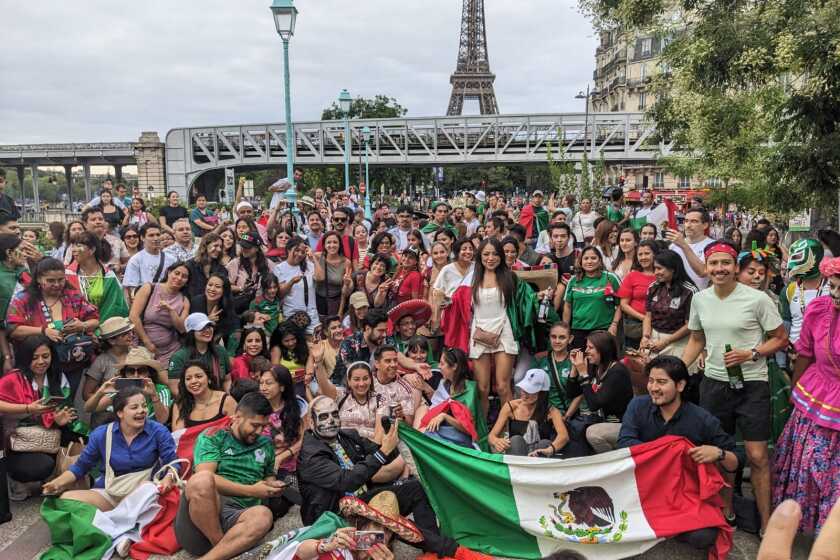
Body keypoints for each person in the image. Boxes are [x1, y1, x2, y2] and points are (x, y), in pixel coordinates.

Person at [681, 240, 789, 533]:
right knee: (721, 451)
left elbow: (780, 338)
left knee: (757, 456)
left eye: (725, 263)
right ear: (707, 267)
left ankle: (767, 524)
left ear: (735, 267)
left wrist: (752, 353)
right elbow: (696, 340)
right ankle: (726, 509)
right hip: (714, 383)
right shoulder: (701, 299)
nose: (719, 269)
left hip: (752, 384)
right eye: (713, 264)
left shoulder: (757, 299)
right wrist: (677, 369)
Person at [297, 396, 464, 558]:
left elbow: (378, 450)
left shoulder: (346, 435)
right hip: (336, 520)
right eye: (324, 416)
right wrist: (383, 452)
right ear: (311, 422)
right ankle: (446, 549)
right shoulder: (310, 455)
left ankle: (432, 553)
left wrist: (391, 426)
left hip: (361, 502)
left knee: (415, 489)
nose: (331, 420)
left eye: (334, 414)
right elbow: (346, 481)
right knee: (385, 524)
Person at [618, 355, 739, 551]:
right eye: (651, 381)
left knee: (703, 536)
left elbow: (735, 461)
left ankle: (672, 525)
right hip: (646, 487)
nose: (653, 388)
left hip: (683, 494)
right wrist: (669, 450)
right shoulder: (637, 406)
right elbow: (624, 443)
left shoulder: (702, 419)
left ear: (680, 385)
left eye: (662, 382)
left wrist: (718, 453)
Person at [772, 257, 840, 534]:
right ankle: (809, 526)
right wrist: (795, 388)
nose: (834, 295)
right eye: (832, 287)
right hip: (817, 395)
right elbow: (806, 353)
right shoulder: (819, 309)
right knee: (810, 464)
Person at [175, 392, 278, 559]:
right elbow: (205, 476)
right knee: (202, 480)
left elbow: (268, 478)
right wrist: (252, 491)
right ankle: (221, 547)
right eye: (255, 425)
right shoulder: (213, 436)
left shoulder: (266, 444)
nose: (260, 431)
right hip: (201, 520)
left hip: (238, 518)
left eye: (264, 426)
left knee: (264, 515)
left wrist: (272, 487)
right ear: (237, 417)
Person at [43, 386, 177, 512]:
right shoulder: (102, 434)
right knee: (67, 499)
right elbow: (80, 467)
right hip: (110, 492)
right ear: (120, 413)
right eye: (134, 407)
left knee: (154, 494)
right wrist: (56, 483)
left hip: (145, 495)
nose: (142, 411)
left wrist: (168, 478)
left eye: (144, 406)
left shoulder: (158, 431)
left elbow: (172, 463)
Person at [0, 336, 79, 500]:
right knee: (41, 466)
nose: (41, 361)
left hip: (51, 434)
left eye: (46, 356)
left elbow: (65, 410)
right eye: (34, 357)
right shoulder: (14, 378)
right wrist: (28, 408)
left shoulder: (58, 378)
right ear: (25, 358)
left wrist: (61, 420)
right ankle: (18, 480)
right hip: (19, 440)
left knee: (79, 440)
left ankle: (55, 475)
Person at [6, 258, 99, 395]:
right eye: (50, 281)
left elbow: (95, 320)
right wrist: (43, 331)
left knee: (66, 403)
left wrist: (82, 325)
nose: (57, 284)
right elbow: (13, 329)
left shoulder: (73, 296)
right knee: (39, 403)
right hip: (37, 364)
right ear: (38, 279)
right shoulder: (23, 299)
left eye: (61, 280)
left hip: (71, 361)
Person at [567, 330, 633, 453]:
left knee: (593, 434)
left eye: (590, 347)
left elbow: (594, 404)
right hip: (601, 420)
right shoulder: (595, 367)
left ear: (603, 349)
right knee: (574, 430)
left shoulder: (617, 371)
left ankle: (610, 462)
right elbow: (571, 394)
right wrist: (574, 369)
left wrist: (583, 373)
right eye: (586, 346)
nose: (586, 351)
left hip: (622, 424)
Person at [258, 365, 307, 518]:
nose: (263, 387)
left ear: (282, 386)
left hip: (291, 466)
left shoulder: (298, 406)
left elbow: (305, 439)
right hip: (262, 467)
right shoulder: (256, 408)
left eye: (269, 383)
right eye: (261, 383)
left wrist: (281, 456)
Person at [415, 347, 487, 450]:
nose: (439, 367)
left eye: (442, 364)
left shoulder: (469, 390)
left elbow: (469, 429)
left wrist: (444, 416)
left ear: (454, 367)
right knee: (422, 412)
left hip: (466, 438)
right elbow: (436, 407)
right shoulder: (444, 384)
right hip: (446, 428)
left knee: (424, 434)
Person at [487, 368, 570, 457]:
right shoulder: (511, 406)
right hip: (517, 453)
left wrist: (550, 450)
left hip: (540, 455)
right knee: (516, 440)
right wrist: (497, 441)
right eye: (523, 389)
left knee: (544, 443)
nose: (524, 394)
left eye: (530, 391)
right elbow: (491, 436)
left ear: (542, 393)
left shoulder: (552, 411)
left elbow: (564, 436)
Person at [84, 346, 172, 426]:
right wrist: (100, 392)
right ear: (125, 374)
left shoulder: (161, 390)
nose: (136, 375)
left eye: (141, 370)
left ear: (149, 372)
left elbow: (162, 420)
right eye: (131, 371)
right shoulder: (121, 389)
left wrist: (154, 395)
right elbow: (88, 409)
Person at [641, 249, 699, 370]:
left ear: (673, 268)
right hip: (654, 340)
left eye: (660, 268)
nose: (656, 272)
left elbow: (690, 325)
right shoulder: (653, 287)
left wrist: (666, 342)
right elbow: (648, 315)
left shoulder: (689, 291)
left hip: (678, 343)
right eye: (655, 268)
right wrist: (645, 336)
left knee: (674, 379)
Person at [562, 246, 621, 350]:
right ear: (580, 261)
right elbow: (567, 306)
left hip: (603, 330)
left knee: (603, 363)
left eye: (593, 258)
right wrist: (565, 329)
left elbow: (620, 304)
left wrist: (614, 324)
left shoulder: (610, 278)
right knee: (580, 361)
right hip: (578, 330)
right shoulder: (573, 280)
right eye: (586, 258)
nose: (589, 261)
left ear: (600, 260)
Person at [64, 231, 129, 323]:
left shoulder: (108, 276)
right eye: (73, 246)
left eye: (78, 246)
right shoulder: (67, 275)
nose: (74, 249)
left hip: (105, 329)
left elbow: (116, 307)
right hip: (74, 330)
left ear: (92, 250)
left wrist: (98, 327)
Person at [82, 317, 135, 426]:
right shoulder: (101, 361)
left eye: (130, 331)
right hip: (106, 419)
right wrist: (107, 397)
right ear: (112, 340)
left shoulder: (137, 355)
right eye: (124, 334)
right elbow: (86, 394)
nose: (130, 335)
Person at [168, 313, 233, 397]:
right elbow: (175, 388)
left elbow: (227, 380)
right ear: (191, 332)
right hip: (192, 403)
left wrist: (227, 397)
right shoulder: (179, 357)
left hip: (219, 400)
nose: (207, 330)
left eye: (209, 326)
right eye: (201, 328)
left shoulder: (220, 351)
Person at [780, 238, 830, 347]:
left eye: (797, 257)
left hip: (826, 354)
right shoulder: (789, 290)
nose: (791, 263)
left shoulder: (833, 288)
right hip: (796, 353)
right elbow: (786, 323)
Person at [617, 240, 658, 350]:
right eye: (640, 254)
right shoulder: (632, 276)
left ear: (655, 254)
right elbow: (623, 304)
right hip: (635, 326)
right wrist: (644, 318)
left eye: (647, 253)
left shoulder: (662, 275)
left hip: (659, 325)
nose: (643, 257)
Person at [274, 237, 321, 334]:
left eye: (303, 252)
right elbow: (279, 294)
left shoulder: (309, 265)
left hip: (312, 316)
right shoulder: (280, 268)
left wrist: (313, 258)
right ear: (288, 250)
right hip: (292, 316)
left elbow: (321, 278)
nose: (299, 254)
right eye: (296, 250)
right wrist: (291, 282)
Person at [122, 223, 177, 304]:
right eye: (151, 235)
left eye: (158, 235)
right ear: (142, 238)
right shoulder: (136, 259)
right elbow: (131, 288)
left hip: (168, 301)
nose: (155, 238)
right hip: (145, 302)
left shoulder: (172, 259)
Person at [664, 207, 714, 290]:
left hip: (699, 296)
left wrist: (684, 245)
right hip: (676, 296)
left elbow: (703, 272)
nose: (688, 225)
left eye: (694, 221)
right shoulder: (674, 245)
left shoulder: (712, 245)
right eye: (686, 221)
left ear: (705, 225)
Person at [0, 234, 29, 371]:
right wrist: (7, 356)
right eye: (22, 250)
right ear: (9, 252)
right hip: (5, 343)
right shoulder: (1, 278)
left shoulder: (24, 273)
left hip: (26, 339)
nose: (25, 254)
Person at [190, 272, 239, 350]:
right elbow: (190, 330)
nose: (212, 289)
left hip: (215, 345)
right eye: (210, 285)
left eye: (217, 286)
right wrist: (207, 320)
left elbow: (233, 328)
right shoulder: (197, 301)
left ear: (224, 291)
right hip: (195, 345)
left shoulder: (227, 304)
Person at [314, 231, 353, 318]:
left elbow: (344, 290)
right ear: (324, 245)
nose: (332, 245)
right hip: (317, 300)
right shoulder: (317, 257)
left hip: (336, 302)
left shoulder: (346, 262)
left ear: (340, 245)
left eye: (335, 242)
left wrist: (340, 312)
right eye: (328, 242)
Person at [185, 232, 228, 298]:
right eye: (215, 245)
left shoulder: (222, 270)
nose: (219, 249)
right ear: (205, 245)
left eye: (221, 247)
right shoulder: (190, 265)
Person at [308, 315, 344, 387]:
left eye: (340, 326)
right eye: (334, 328)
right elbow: (310, 371)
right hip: (330, 386)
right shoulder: (320, 347)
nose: (338, 330)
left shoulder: (349, 343)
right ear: (326, 332)